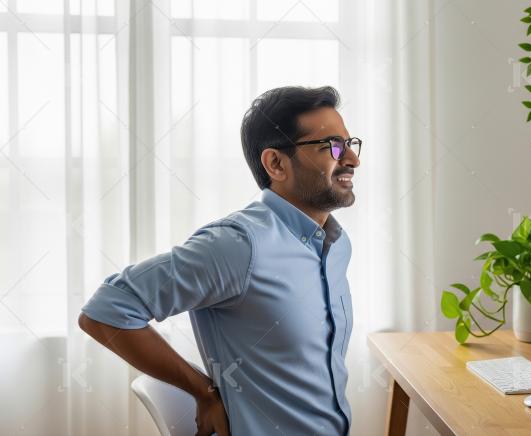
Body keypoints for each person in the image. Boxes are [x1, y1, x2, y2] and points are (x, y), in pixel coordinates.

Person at [79, 86, 361, 435]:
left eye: (351, 144)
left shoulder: (336, 243)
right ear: (276, 163)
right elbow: (107, 309)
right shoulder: (239, 245)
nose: (351, 158)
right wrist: (204, 391)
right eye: (332, 146)